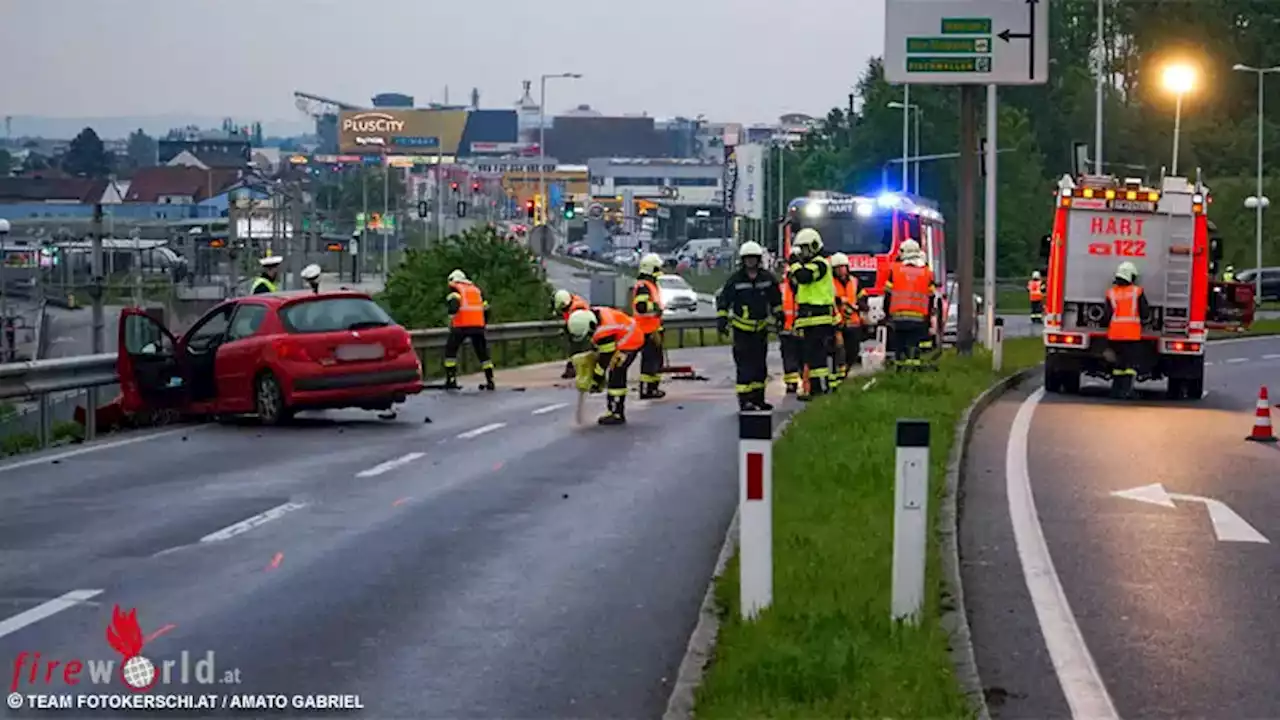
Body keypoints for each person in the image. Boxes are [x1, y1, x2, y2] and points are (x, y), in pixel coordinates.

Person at [716, 241, 782, 411]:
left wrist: (779, 315)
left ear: (758, 259)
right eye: (748, 259)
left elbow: (776, 300)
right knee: (745, 367)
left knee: (760, 366)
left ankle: (759, 399)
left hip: (760, 330)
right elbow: (724, 301)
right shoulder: (735, 280)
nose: (751, 262)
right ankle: (745, 400)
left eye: (754, 258)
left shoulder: (767, 279)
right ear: (743, 260)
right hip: (742, 332)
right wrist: (722, 320)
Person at [567, 306, 645, 425]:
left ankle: (616, 413)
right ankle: (614, 410)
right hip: (624, 332)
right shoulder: (591, 315)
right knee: (613, 369)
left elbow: (606, 357)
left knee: (616, 370)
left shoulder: (604, 331)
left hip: (631, 340)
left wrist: (597, 377)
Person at [788, 228, 837, 399]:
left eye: (805, 248)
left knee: (817, 357)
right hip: (809, 319)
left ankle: (820, 389)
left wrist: (793, 264)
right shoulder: (810, 264)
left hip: (819, 317)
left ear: (814, 246)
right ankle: (815, 388)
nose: (802, 253)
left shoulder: (821, 263)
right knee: (809, 357)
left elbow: (804, 277)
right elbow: (796, 285)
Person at [882, 239, 936, 368]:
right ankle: (913, 371)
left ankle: (900, 372)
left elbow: (888, 295)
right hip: (919, 319)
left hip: (898, 317)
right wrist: (928, 318)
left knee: (900, 346)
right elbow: (931, 297)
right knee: (914, 347)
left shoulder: (895, 270)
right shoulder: (927, 272)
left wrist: (886, 313)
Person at [1102, 261, 1149, 399]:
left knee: (1118, 365)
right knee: (1130, 365)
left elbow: (1106, 315)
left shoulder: (1111, 293)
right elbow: (1145, 313)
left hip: (1115, 335)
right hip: (1131, 335)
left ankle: (1116, 390)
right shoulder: (1137, 292)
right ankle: (1127, 390)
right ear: (1131, 277)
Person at [443, 269, 495, 391]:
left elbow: (454, 305)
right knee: (483, 354)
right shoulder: (476, 291)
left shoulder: (456, 289)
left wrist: (451, 319)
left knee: (450, 352)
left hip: (461, 326)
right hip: (477, 326)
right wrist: (483, 323)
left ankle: (451, 380)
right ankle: (490, 381)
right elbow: (487, 309)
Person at [631, 253, 667, 400]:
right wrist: (656, 307)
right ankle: (647, 389)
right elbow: (641, 306)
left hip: (653, 328)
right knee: (650, 360)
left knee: (656, 360)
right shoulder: (643, 286)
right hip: (646, 330)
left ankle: (653, 388)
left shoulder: (651, 285)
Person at [829, 252, 864, 382]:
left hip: (853, 322)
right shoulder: (830, 283)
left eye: (843, 267)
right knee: (838, 350)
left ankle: (846, 371)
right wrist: (841, 301)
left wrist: (861, 306)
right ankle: (840, 375)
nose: (841, 270)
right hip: (837, 322)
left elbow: (862, 296)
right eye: (838, 267)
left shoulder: (854, 281)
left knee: (853, 350)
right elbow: (829, 298)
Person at [778, 246, 803, 394]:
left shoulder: (806, 285)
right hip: (787, 329)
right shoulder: (783, 287)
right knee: (788, 357)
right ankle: (791, 383)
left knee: (804, 357)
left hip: (803, 328)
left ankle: (804, 379)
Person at [553, 288, 590, 379]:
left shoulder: (577, 307)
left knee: (578, 347)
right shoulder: (570, 303)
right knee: (576, 348)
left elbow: (577, 321)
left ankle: (575, 368)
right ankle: (575, 368)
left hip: (583, 327)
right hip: (577, 326)